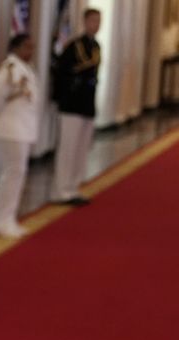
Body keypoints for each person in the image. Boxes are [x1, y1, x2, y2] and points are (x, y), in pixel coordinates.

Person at [0, 33, 40, 238]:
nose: (30, 51)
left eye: (32, 47)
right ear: (14, 48)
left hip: (20, 130)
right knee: (12, 175)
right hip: (10, 130)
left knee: (15, 175)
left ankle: (6, 218)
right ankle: (1, 220)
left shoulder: (24, 69)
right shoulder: (10, 69)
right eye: (26, 46)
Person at [51, 8, 101, 206]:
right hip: (71, 105)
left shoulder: (96, 46)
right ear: (85, 22)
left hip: (87, 104)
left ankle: (73, 187)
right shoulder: (74, 46)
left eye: (99, 21)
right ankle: (61, 190)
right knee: (68, 149)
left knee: (81, 149)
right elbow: (62, 74)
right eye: (93, 20)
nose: (96, 25)